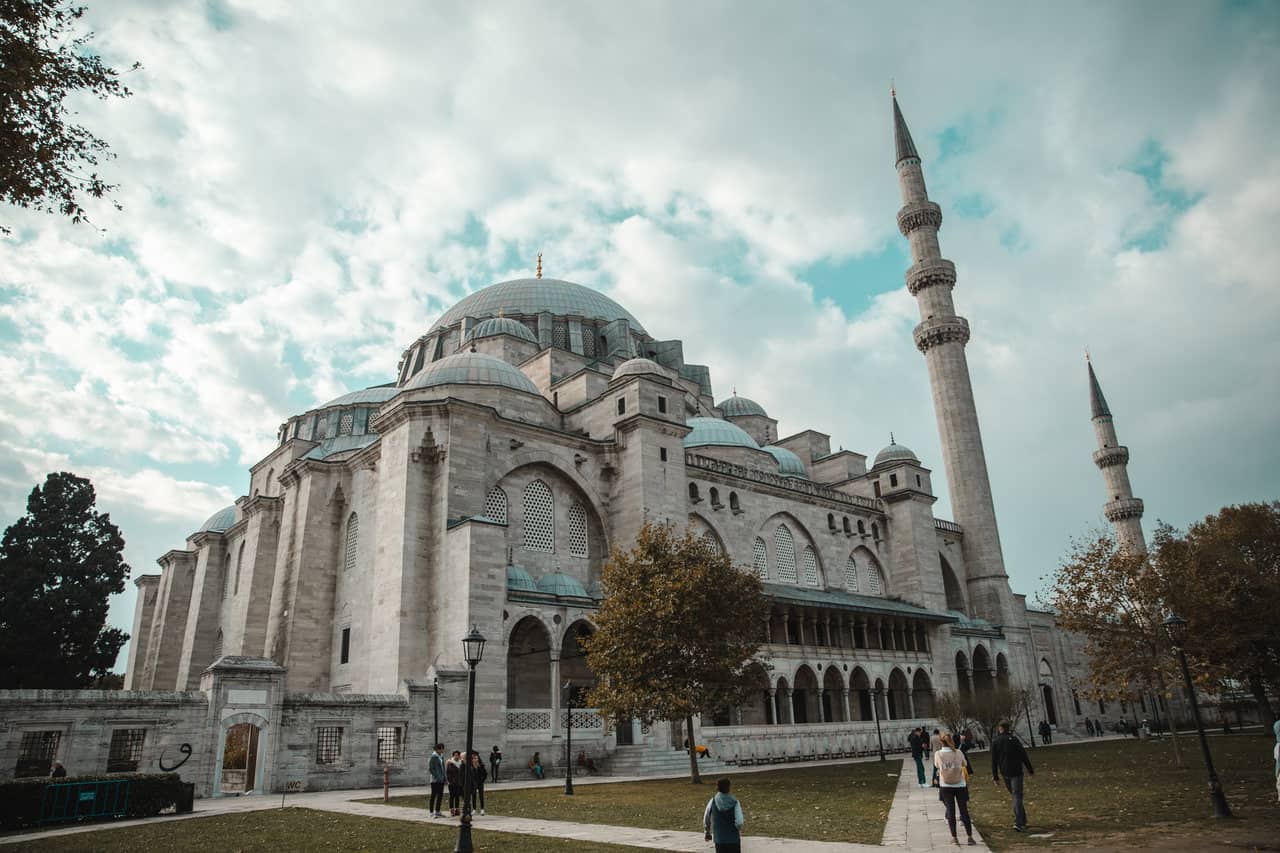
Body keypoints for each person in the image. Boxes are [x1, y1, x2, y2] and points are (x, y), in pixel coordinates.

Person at [991, 720, 1034, 832]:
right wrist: (1030, 770)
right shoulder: (1014, 740)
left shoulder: (996, 741)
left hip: (1005, 772)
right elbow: (1023, 755)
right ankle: (1020, 821)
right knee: (1017, 796)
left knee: (1015, 796)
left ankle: (1021, 821)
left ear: (1000, 728)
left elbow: (994, 761)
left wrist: (995, 776)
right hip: (1016, 771)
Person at [935, 733, 976, 846]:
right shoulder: (958, 752)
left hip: (946, 785)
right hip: (960, 784)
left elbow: (937, 766)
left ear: (941, 742)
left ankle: (954, 838)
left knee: (951, 811)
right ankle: (970, 837)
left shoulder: (938, 754)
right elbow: (965, 764)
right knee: (964, 811)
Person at [703, 776, 744, 853]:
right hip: (733, 840)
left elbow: (706, 818)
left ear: (717, 787)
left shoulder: (712, 801)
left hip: (719, 840)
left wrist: (707, 832)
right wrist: (736, 830)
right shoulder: (735, 802)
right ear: (729, 787)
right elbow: (739, 822)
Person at [427, 743, 446, 818]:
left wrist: (444, 777)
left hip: (441, 779)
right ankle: (431, 812)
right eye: (441, 749)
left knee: (440, 795)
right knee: (434, 795)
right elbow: (431, 769)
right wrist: (437, 777)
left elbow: (442, 767)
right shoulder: (433, 757)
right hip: (435, 780)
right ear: (438, 749)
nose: (442, 750)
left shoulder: (441, 756)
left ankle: (437, 811)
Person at [468, 750, 487, 816]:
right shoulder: (471, 766)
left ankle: (482, 809)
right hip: (473, 783)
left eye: (476, 758)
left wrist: (482, 780)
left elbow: (485, 774)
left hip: (480, 782)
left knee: (481, 795)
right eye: (474, 758)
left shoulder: (481, 766)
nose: (475, 759)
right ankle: (474, 809)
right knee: (474, 795)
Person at [446, 749, 464, 816]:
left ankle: (457, 809)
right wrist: (449, 781)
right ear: (453, 756)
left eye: (457, 755)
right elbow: (448, 773)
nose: (456, 756)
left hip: (458, 783)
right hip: (452, 783)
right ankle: (451, 809)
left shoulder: (461, 763)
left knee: (457, 796)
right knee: (452, 796)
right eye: (455, 755)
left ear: (459, 756)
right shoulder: (450, 763)